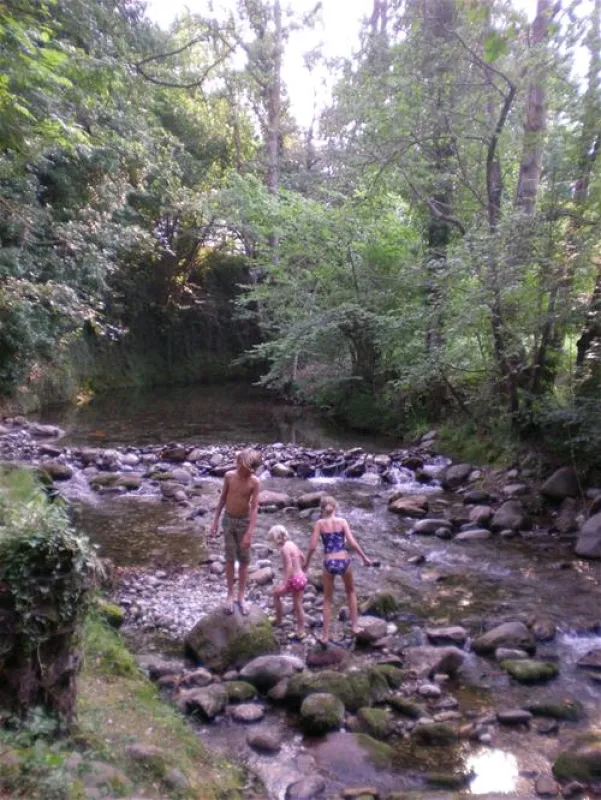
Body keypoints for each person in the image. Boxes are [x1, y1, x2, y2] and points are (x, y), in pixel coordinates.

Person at [304, 494, 371, 644]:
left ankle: (325, 635)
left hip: (329, 562)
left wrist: (306, 563)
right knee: (351, 591)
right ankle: (354, 626)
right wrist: (364, 558)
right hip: (343, 560)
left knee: (327, 599)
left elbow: (312, 546)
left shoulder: (319, 523)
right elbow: (353, 543)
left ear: (321, 509)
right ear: (335, 507)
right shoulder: (342, 522)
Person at [210, 448, 262, 615]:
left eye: (252, 470)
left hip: (244, 522)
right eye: (247, 468)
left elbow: (255, 507)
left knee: (244, 560)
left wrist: (250, 532)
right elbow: (222, 499)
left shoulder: (254, 482)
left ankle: (241, 596)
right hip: (228, 520)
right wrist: (215, 521)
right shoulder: (229, 476)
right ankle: (230, 594)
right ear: (239, 463)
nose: (249, 472)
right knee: (229, 558)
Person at [269, 524, 307, 640]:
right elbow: (302, 557)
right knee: (298, 604)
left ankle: (279, 620)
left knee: (276, 594)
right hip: (301, 577)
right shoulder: (292, 544)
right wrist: (301, 569)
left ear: (276, 539)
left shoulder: (284, 549)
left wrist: (285, 583)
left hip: (293, 579)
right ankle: (301, 630)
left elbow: (289, 566)